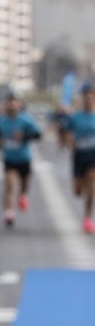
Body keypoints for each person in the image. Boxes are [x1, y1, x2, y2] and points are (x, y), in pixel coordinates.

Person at [0, 92, 41, 229]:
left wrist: (24, 135)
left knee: (24, 185)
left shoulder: (26, 120)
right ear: (6, 105)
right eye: (10, 102)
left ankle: (23, 195)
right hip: (9, 158)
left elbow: (38, 134)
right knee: (10, 184)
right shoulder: (1, 120)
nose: (12, 105)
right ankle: (9, 213)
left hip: (24, 157)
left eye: (15, 102)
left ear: (19, 104)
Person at [67, 83, 95, 234]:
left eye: (92, 97)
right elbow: (67, 132)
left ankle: (87, 218)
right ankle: (82, 186)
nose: (89, 100)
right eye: (86, 97)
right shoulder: (75, 117)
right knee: (78, 191)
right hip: (79, 157)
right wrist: (70, 140)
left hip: (93, 157)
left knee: (92, 187)